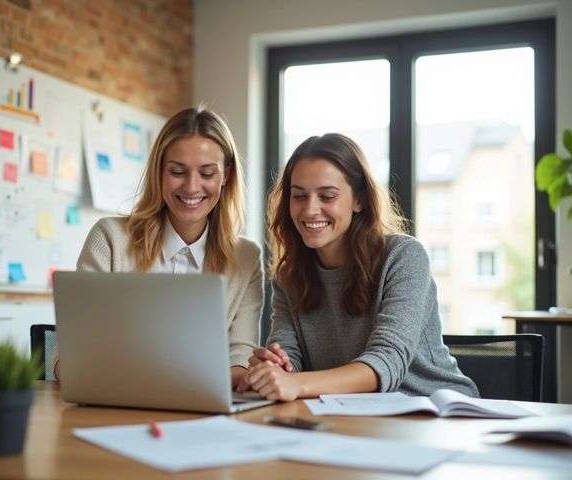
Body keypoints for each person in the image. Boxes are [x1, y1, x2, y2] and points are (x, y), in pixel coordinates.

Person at [237, 133, 478, 401]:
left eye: (327, 196)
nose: (310, 209)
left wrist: (297, 383)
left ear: (359, 200)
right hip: (349, 412)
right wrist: (276, 367)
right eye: (299, 196)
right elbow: (289, 357)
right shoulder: (289, 275)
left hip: (433, 409)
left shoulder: (404, 256)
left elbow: (387, 361)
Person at [56, 107, 263, 389]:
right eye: (177, 171)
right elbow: (68, 356)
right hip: (117, 404)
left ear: (225, 174)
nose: (192, 187)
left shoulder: (246, 257)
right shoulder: (110, 239)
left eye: (207, 173)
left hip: (205, 411)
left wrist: (255, 374)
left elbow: (240, 355)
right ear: (159, 173)